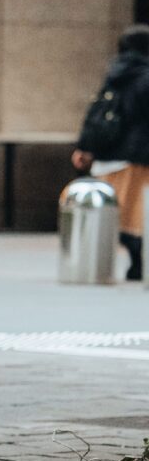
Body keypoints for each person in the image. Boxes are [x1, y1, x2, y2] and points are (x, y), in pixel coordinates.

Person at [73, 24, 149, 281]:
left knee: (118, 213)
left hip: (111, 156)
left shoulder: (115, 74)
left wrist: (85, 147)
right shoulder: (145, 77)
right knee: (137, 216)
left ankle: (136, 263)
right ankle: (139, 262)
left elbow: (97, 114)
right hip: (138, 156)